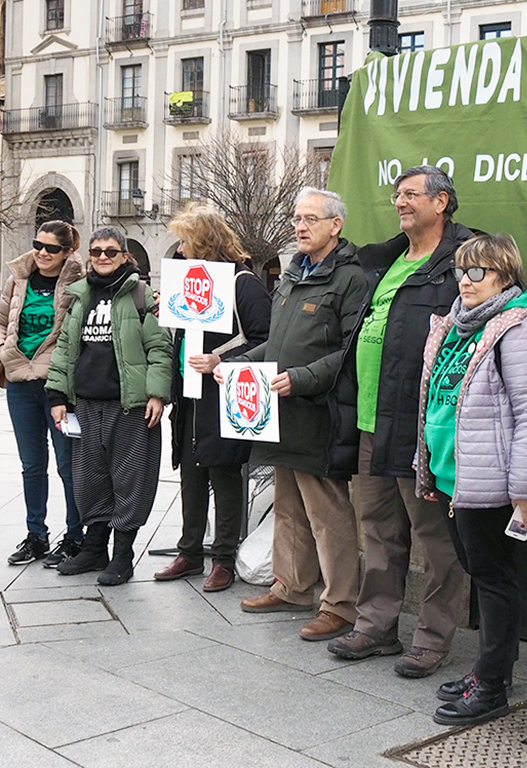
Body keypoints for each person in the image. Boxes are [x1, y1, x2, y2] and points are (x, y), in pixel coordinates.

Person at [327, 165, 472, 678]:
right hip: (371, 420)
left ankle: (432, 638)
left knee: (434, 538)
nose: (400, 202)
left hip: (423, 426)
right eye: (397, 194)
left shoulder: (464, 260)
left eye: (411, 194)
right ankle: (377, 625)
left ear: (442, 202)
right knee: (380, 528)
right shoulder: (383, 260)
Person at [216, 187, 365, 642]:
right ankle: (293, 586)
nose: (299, 226)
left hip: (318, 414)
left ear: (335, 226)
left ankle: (340, 604)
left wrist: (300, 379)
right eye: (296, 218)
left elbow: (349, 352)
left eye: (310, 219)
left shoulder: (351, 278)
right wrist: (240, 365)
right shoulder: (290, 274)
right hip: (278, 413)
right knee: (289, 507)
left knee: (328, 514)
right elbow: (276, 344)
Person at [416, 233, 527, 725]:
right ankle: (488, 670)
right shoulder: (455, 325)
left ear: (505, 276)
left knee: (496, 582)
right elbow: (435, 401)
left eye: (478, 272)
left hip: (495, 484)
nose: (465, 281)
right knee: (483, 577)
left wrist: (523, 490)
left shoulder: (520, 328)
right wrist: (428, 465)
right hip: (456, 478)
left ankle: (492, 685)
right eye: (460, 271)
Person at [154, 205, 271, 592]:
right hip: (190, 395)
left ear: (203, 242)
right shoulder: (189, 279)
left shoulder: (244, 282)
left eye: (186, 241)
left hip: (224, 395)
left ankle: (223, 559)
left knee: (223, 473)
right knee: (190, 472)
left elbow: (266, 340)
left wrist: (221, 359)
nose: (182, 250)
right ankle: (189, 552)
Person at [46, 227, 172, 585]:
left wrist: (157, 394)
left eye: (111, 252)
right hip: (86, 404)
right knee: (90, 481)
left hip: (129, 406)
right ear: (88, 255)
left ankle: (122, 555)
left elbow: (160, 349)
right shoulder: (80, 296)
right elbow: (66, 349)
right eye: (97, 251)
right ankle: (94, 548)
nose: (103, 257)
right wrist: (57, 396)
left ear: (125, 256)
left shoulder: (141, 295)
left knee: (130, 481)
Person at [0, 221, 85, 568]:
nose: (42, 253)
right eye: (38, 244)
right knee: (32, 466)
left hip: (58, 386)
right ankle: (36, 536)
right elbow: (2, 319)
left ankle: (75, 538)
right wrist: (3, 350)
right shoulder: (18, 278)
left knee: (68, 466)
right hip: (20, 381)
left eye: (51, 248)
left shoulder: (77, 282)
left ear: (66, 252)